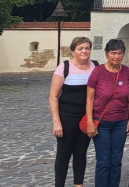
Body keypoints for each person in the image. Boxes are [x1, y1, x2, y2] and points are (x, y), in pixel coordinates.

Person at [49, 37, 98, 187]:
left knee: (81, 153)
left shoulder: (95, 66)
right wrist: (56, 122)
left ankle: (79, 185)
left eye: (87, 48)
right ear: (73, 51)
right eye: (80, 48)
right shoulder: (64, 67)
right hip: (67, 117)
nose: (84, 51)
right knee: (64, 154)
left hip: (86, 118)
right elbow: (53, 96)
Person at [85, 39, 129, 187]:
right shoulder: (98, 71)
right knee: (104, 160)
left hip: (121, 123)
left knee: (117, 159)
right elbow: (89, 98)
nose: (117, 57)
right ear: (106, 54)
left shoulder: (126, 71)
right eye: (113, 53)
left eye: (120, 53)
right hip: (102, 122)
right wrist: (89, 122)